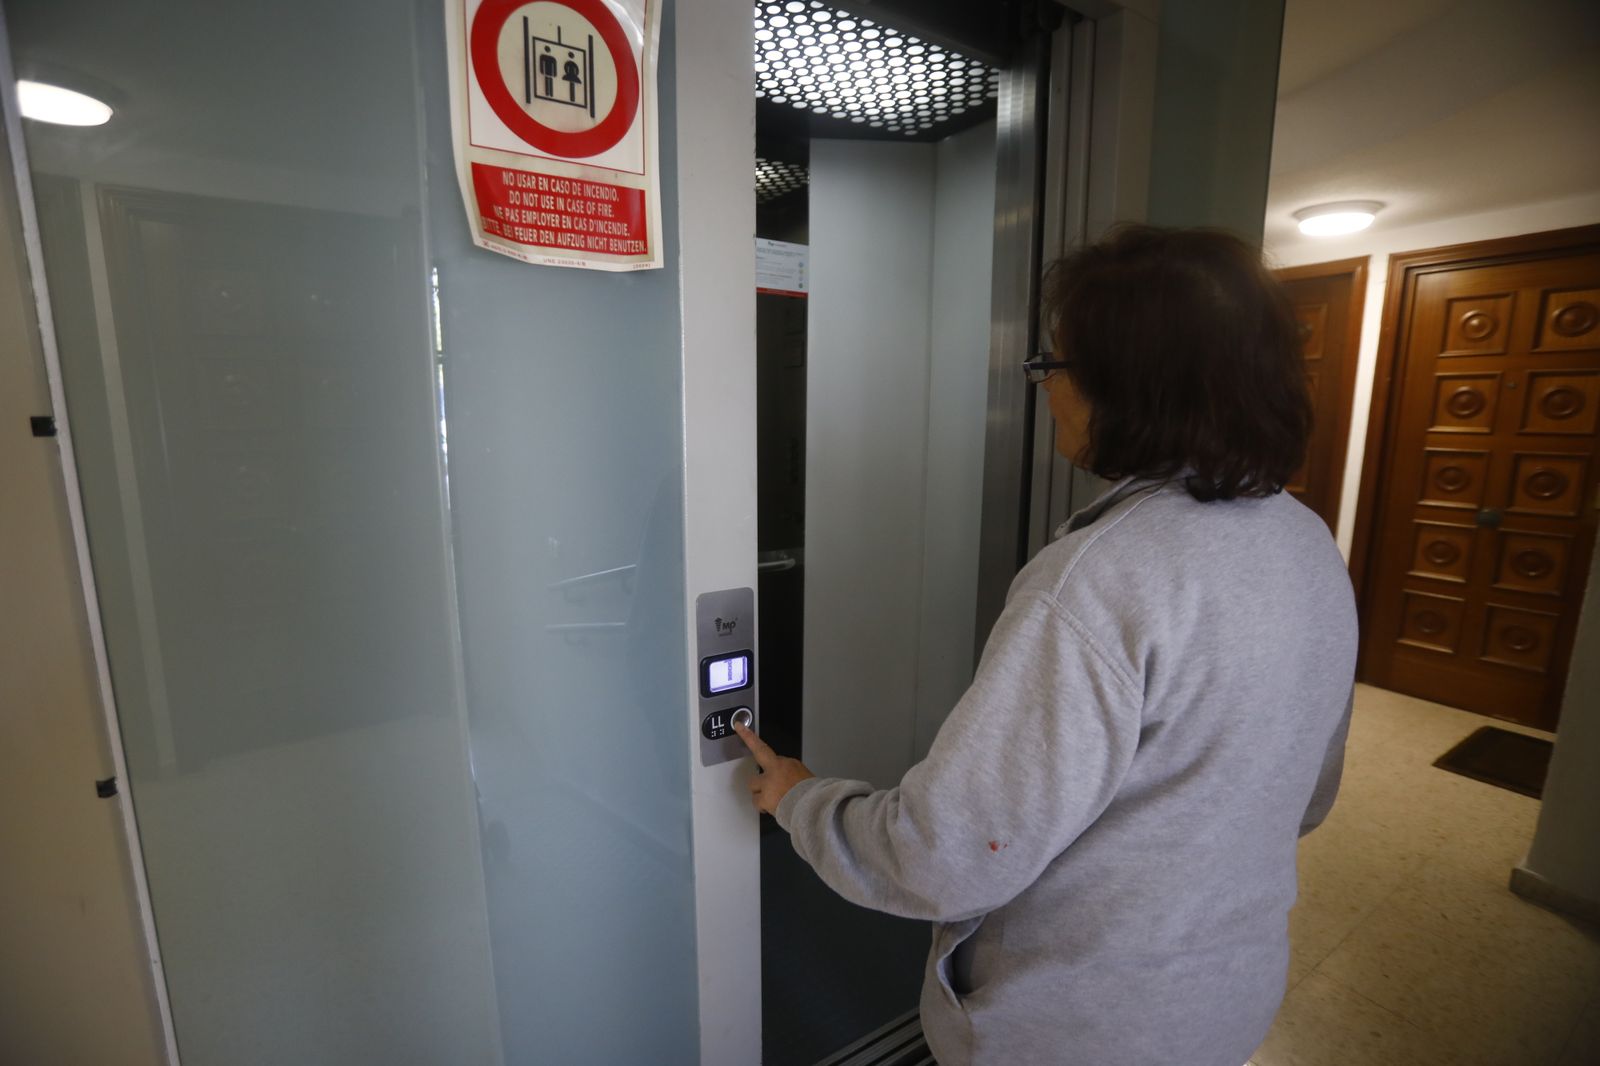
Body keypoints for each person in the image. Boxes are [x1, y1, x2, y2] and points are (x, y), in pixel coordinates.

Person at [734, 224, 1357, 1066]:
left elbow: (946, 857)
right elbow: (1307, 798)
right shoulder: (1306, 544)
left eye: (1054, 366)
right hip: (1225, 1002)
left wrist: (803, 800)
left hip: (1078, 1032)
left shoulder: (1099, 581)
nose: (1047, 390)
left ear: (1126, 387)